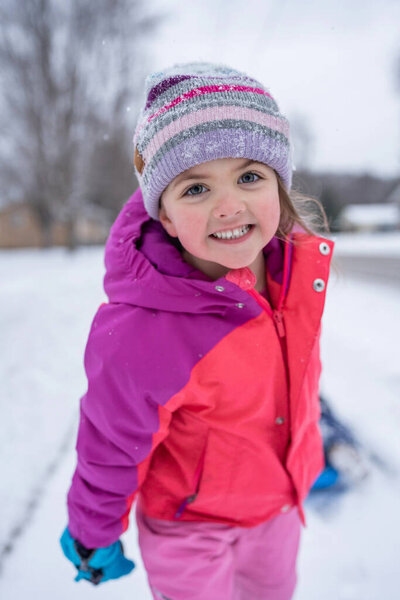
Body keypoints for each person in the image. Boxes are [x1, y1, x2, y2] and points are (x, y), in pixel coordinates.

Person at [60, 62, 334, 600]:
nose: (229, 206)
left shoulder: (294, 271)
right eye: (195, 188)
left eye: (249, 177)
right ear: (162, 215)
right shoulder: (143, 328)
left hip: (276, 510)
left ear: (279, 185)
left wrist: (304, 449)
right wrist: (94, 532)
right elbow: (111, 442)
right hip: (189, 526)